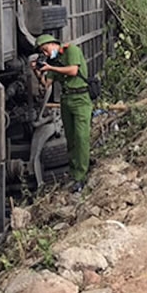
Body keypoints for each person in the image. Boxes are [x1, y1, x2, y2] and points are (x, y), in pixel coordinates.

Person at [32, 34, 92, 193]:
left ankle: (81, 175)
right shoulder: (53, 62)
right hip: (66, 101)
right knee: (71, 138)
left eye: (45, 49)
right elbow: (46, 84)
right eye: (42, 52)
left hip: (81, 99)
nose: (45, 53)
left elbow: (73, 70)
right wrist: (38, 72)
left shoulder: (71, 50)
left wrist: (50, 68)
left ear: (53, 44)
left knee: (81, 137)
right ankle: (75, 172)